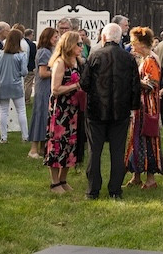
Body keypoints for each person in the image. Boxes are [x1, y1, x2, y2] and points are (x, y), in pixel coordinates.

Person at [82, 22, 140, 200]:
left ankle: (93, 190)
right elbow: (135, 86)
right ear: (119, 37)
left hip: (96, 110)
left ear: (104, 37)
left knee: (95, 151)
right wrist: (133, 107)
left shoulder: (95, 56)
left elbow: (84, 83)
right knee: (117, 151)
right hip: (120, 111)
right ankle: (115, 190)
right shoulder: (128, 58)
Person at [45, 31, 86, 194]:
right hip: (61, 110)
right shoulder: (60, 62)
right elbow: (55, 89)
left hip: (74, 110)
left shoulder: (77, 61)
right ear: (70, 44)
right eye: (79, 44)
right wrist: (75, 86)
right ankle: (55, 183)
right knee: (58, 144)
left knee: (71, 144)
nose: (81, 47)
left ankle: (63, 179)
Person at [125, 26, 163, 189]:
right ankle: (136, 175)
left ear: (142, 43)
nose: (132, 46)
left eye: (134, 43)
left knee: (148, 140)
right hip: (141, 107)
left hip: (149, 108)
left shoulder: (151, 60)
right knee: (137, 138)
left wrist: (134, 79)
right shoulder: (144, 59)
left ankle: (150, 179)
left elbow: (152, 84)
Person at [0, 28, 29, 144]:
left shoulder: (0, 54)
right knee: (21, 111)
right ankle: (25, 136)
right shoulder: (21, 55)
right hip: (16, 84)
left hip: (2, 84)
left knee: (3, 111)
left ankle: (4, 137)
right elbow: (24, 72)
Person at [27, 26, 57, 159]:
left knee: (46, 117)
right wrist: (57, 73)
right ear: (48, 38)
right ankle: (33, 149)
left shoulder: (47, 51)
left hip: (46, 88)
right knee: (40, 117)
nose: (57, 39)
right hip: (44, 89)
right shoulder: (44, 52)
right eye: (54, 37)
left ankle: (42, 149)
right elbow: (43, 73)